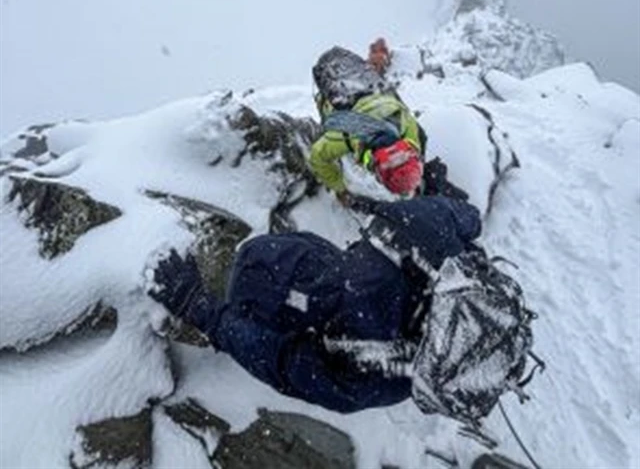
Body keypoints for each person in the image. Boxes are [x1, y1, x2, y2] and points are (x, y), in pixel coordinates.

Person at [148, 196, 483, 413]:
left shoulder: (369, 364)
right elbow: (471, 219)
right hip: (296, 280)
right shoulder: (390, 374)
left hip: (282, 288)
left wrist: (199, 309)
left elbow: (279, 359)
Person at [308, 46, 427, 206]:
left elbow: (417, 136)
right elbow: (317, 157)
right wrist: (340, 188)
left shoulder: (404, 122)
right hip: (334, 80)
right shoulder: (344, 135)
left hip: (362, 80)